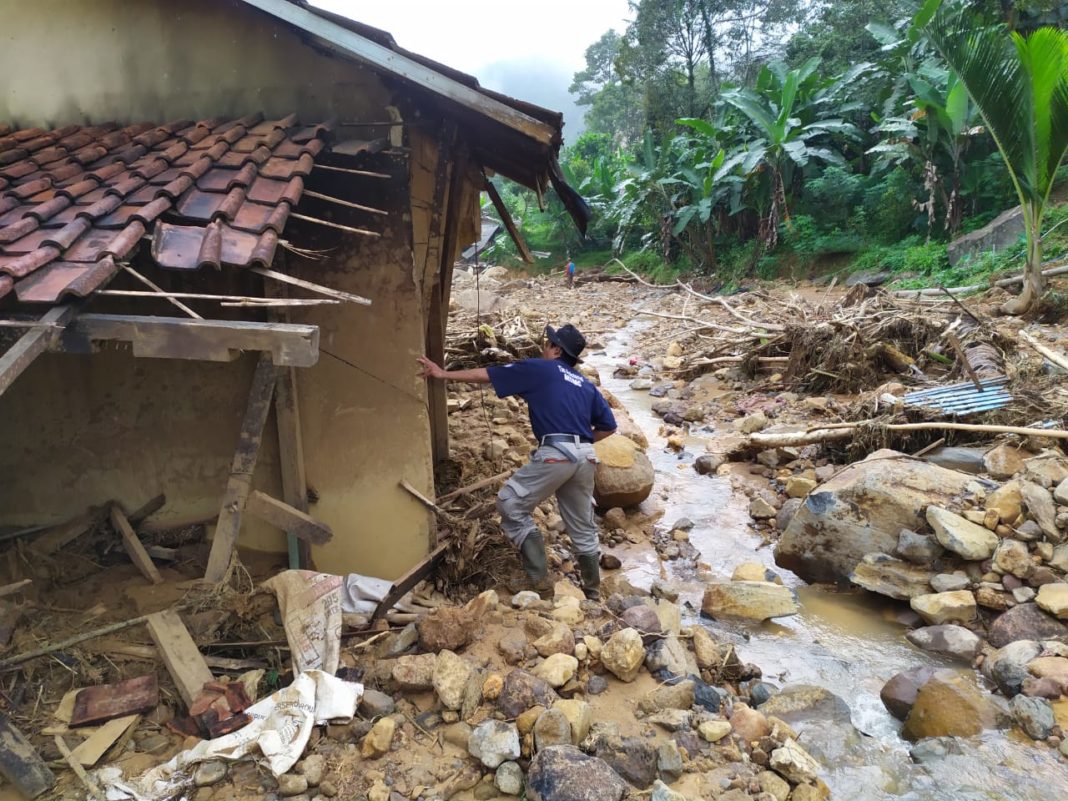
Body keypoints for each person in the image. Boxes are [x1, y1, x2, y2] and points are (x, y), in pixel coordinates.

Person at [417, 324, 617, 599]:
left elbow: (487, 374)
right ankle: (593, 594)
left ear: (556, 350)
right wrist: (580, 447)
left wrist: (442, 373)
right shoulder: (585, 384)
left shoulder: (541, 368)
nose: (543, 348)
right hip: (586, 456)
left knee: (510, 503)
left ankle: (538, 580)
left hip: (557, 451)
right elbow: (609, 427)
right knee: (582, 524)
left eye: (548, 344)